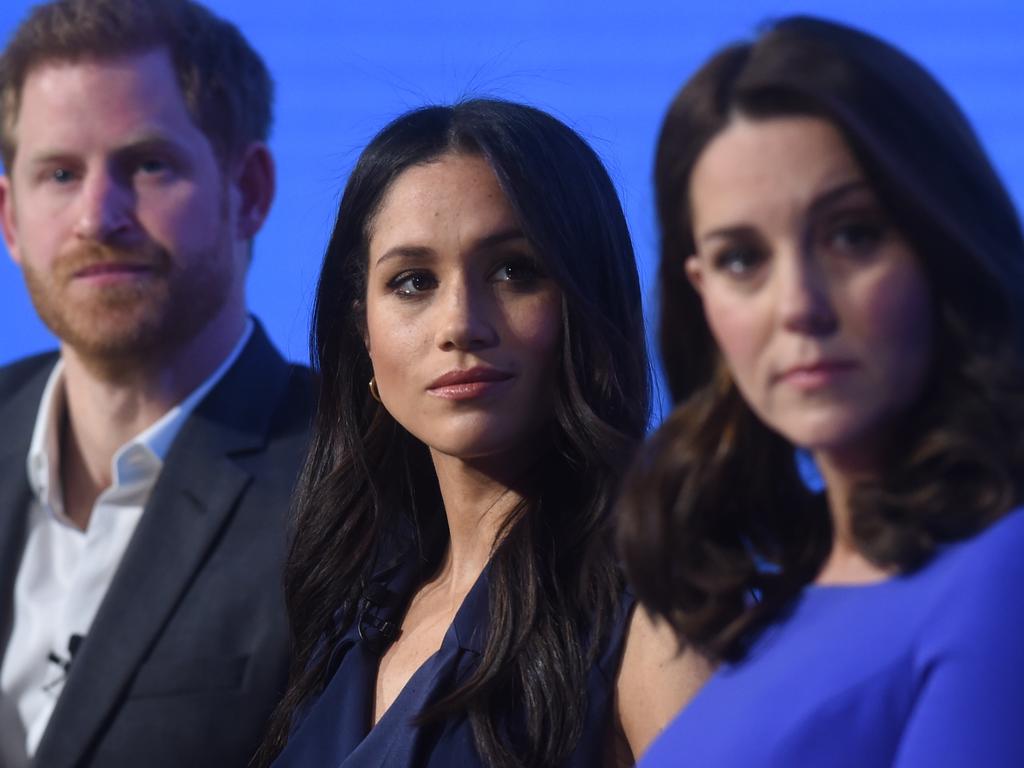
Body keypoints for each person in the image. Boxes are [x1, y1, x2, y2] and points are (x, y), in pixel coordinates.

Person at [617, 15, 1024, 767]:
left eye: (854, 235)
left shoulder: (1001, 579)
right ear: (701, 296)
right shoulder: (769, 608)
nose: (799, 304)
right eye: (742, 259)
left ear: (943, 244)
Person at [256, 99, 710, 768]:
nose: (460, 323)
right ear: (363, 333)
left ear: (586, 300)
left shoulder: (657, 606)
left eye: (513, 271)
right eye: (413, 282)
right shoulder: (352, 615)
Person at [0, 1, 312, 766]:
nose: (96, 217)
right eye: (60, 173)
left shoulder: (353, 476)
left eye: (147, 165)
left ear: (250, 190)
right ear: (9, 218)